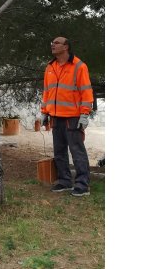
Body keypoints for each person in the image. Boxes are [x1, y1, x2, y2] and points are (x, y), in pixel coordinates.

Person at [36, 37, 94, 197]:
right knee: (59, 152)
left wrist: (84, 114)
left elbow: (86, 92)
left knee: (77, 151)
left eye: (56, 43)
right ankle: (65, 181)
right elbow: (47, 92)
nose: (52, 45)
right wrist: (44, 112)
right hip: (55, 117)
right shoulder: (50, 67)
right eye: (51, 43)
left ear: (66, 46)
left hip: (73, 118)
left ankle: (83, 184)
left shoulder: (79, 66)